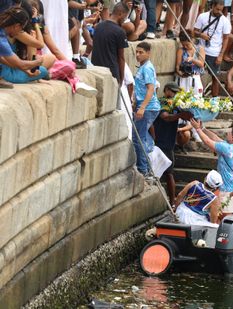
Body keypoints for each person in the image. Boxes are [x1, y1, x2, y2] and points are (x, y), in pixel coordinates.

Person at [190, 118, 233, 213]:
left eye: (229, 133)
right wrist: (203, 128)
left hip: (227, 190)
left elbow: (208, 142)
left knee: (225, 215)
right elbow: (215, 138)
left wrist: (197, 129)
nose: (227, 133)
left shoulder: (226, 148)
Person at [151, 82, 193, 204]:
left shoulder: (177, 103)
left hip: (168, 143)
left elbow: (185, 117)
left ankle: (172, 201)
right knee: (158, 172)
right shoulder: (162, 101)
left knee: (169, 173)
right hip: (158, 141)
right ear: (166, 90)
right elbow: (165, 116)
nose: (174, 94)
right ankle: (168, 200)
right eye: (173, 92)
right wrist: (180, 115)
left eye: (176, 93)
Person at [133, 41, 161, 176]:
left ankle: (143, 169)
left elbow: (151, 88)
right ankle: (147, 165)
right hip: (144, 106)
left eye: (141, 52)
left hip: (148, 107)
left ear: (148, 53)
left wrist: (142, 107)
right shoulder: (142, 67)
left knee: (138, 138)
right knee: (140, 137)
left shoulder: (147, 68)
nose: (137, 55)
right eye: (136, 52)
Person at [194, 0, 231, 97]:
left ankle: (214, 101)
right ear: (212, 6)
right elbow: (194, 32)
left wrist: (221, 55)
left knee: (216, 77)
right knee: (197, 76)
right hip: (201, 51)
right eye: (217, 9)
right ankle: (197, 98)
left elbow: (226, 38)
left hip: (215, 53)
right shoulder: (202, 16)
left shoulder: (225, 20)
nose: (219, 11)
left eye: (221, 9)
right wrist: (201, 35)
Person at [0, 7, 44, 88]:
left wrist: (26, 71)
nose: (21, 31)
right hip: (8, 72)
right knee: (43, 71)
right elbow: (20, 64)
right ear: (16, 26)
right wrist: (37, 62)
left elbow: (3, 59)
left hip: (10, 68)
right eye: (21, 28)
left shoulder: (2, 33)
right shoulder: (1, 38)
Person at [91, 2, 129, 85]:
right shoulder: (120, 31)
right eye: (125, 17)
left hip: (96, 70)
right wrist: (121, 78)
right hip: (111, 74)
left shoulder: (98, 26)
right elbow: (121, 57)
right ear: (120, 13)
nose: (124, 20)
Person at [175, 29, 205, 96]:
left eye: (187, 45)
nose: (185, 47)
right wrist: (180, 72)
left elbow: (201, 64)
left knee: (196, 98)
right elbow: (177, 66)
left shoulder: (200, 49)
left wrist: (193, 60)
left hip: (195, 76)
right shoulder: (181, 50)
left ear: (192, 40)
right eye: (183, 45)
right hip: (183, 78)